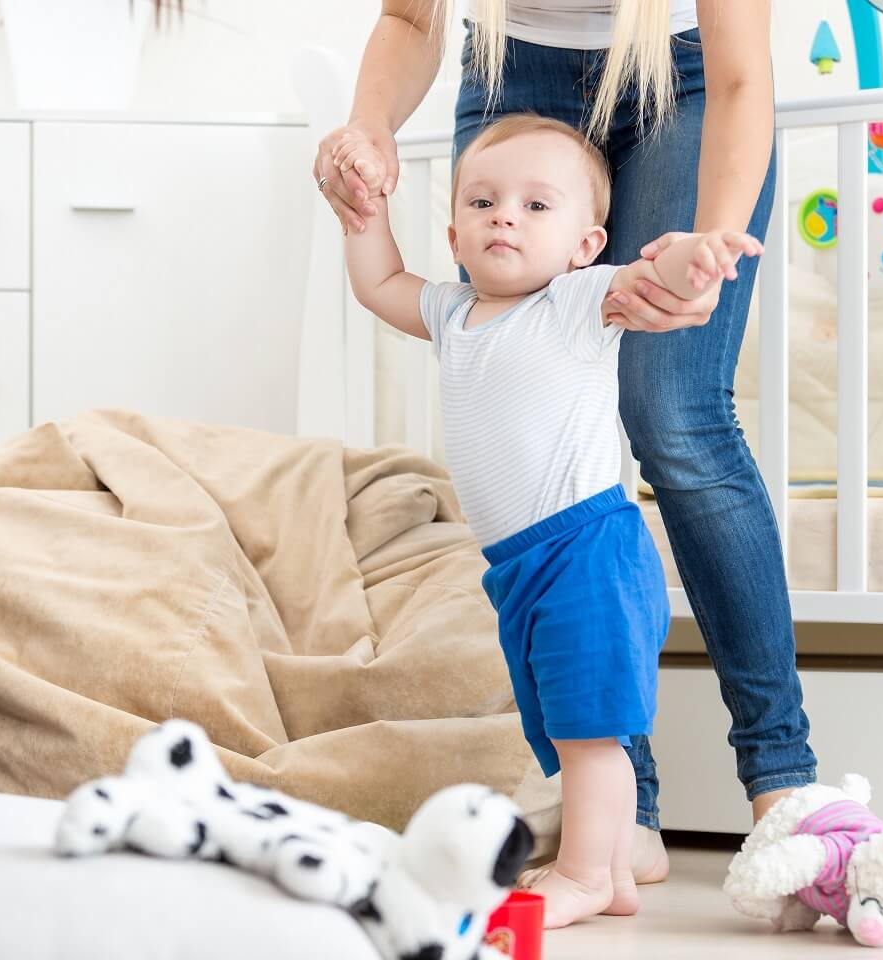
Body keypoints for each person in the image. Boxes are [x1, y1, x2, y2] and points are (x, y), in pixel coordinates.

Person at [312, 0, 816, 892]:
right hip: (514, 72)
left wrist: (705, 249)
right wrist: (367, 135)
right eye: (483, 210)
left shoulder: (590, 283)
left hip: (683, 75)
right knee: (576, 694)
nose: (501, 223)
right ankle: (623, 827)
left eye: (527, 212)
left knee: (674, 410)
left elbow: (740, 77)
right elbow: (408, 18)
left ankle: (780, 778)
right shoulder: (452, 306)